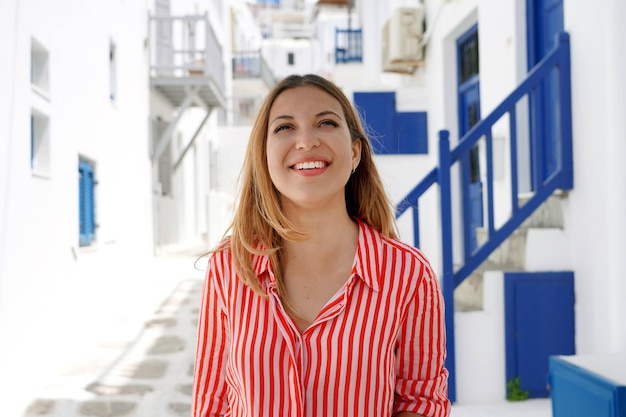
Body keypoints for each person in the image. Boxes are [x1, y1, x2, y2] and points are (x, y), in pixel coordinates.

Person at [191, 74, 450, 417]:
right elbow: (210, 405)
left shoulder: (409, 275)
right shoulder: (229, 267)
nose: (306, 141)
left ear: (355, 152)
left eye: (326, 123)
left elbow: (421, 404)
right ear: (265, 157)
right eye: (285, 127)